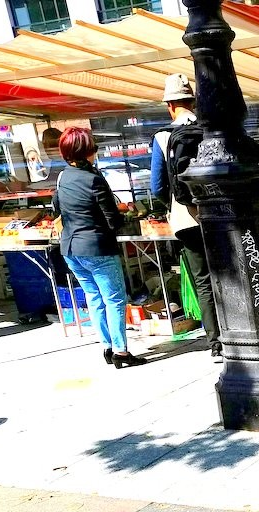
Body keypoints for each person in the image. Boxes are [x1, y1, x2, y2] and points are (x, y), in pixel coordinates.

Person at [53, 127, 146, 369]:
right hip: (97, 248)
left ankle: (107, 346)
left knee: (94, 298)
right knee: (114, 299)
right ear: (87, 152)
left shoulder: (62, 177)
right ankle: (121, 352)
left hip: (70, 249)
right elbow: (112, 219)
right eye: (93, 148)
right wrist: (128, 214)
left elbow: (58, 208)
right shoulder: (94, 179)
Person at [151, 73, 222, 363]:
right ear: (192, 101)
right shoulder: (210, 129)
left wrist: (170, 205)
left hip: (186, 219)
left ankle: (216, 344)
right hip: (219, 215)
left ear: (170, 105)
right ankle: (239, 331)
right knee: (227, 275)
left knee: (203, 281)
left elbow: (157, 186)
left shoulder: (162, 136)